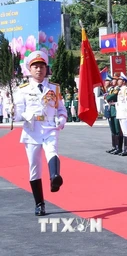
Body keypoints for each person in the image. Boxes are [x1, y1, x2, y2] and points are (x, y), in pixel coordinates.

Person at [11, 51, 68, 216]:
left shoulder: (54, 88)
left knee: (52, 151)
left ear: (46, 68)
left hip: (50, 127)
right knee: (34, 167)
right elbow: (18, 114)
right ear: (30, 69)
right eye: (35, 66)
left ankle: (55, 177)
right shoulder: (22, 90)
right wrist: (21, 113)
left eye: (42, 66)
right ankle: (40, 204)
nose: (39, 70)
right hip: (32, 130)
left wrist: (62, 120)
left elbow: (61, 109)